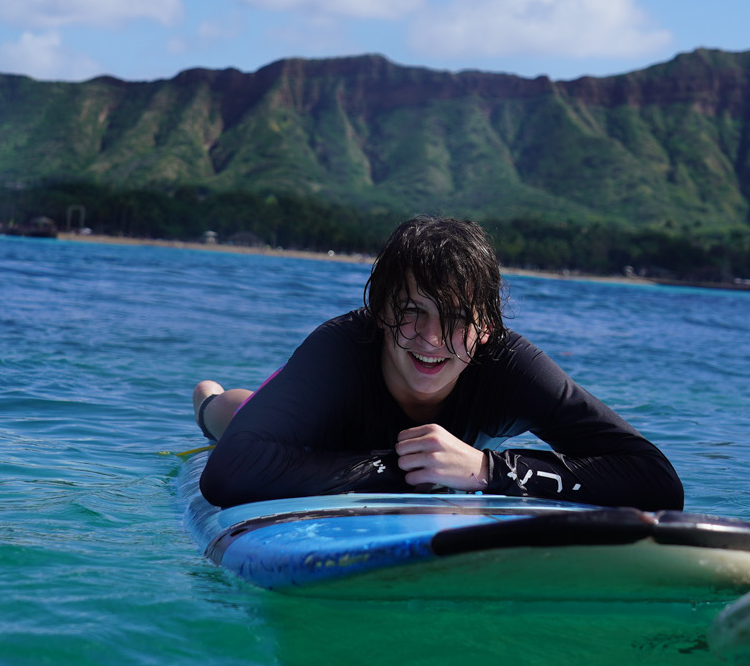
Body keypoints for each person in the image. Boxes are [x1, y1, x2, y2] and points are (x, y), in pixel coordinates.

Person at [192, 215, 684, 510]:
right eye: (412, 312)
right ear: (380, 313)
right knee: (232, 416)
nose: (432, 340)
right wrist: (404, 468)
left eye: (455, 319)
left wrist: (489, 470)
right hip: (318, 429)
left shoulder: (509, 366)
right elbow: (227, 472)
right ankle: (208, 399)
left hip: (457, 451)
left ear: (487, 327)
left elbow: (655, 480)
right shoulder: (341, 350)